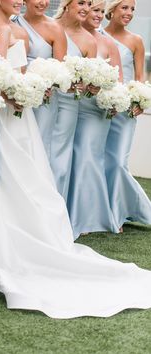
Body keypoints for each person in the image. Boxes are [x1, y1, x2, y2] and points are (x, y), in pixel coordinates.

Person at [0, 0, 151, 319]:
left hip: (29, 105)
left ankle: (52, 223)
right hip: (12, 105)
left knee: (32, 167)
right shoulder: (0, 28)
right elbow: (9, 70)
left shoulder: (15, 30)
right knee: (13, 168)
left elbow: (44, 71)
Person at [67, 0, 123, 239]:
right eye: (94, 10)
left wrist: (111, 99)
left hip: (95, 110)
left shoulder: (108, 43)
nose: (99, 15)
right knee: (68, 158)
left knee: (87, 156)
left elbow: (118, 81)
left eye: (101, 11)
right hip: (69, 105)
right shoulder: (69, 36)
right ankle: (68, 212)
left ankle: (88, 215)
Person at [103, 0, 151, 231]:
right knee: (97, 160)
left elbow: (140, 75)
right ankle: (99, 210)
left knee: (117, 162)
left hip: (125, 110)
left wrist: (141, 99)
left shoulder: (136, 41)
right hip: (98, 108)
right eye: (124, 8)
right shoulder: (97, 34)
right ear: (111, 10)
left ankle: (117, 212)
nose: (130, 13)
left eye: (132, 9)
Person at [52, 0, 96, 202]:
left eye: (89, 4)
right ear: (67, 4)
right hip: (41, 100)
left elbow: (88, 83)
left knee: (59, 157)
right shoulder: (48, 26)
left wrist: (91, 85)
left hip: (69, 103)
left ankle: (57, 212)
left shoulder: (89, 41)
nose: (86, 8)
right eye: (81, 2)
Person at [15, 0, 67, 159]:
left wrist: (48, 85)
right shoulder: (12, 23)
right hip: (16, 95)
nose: (43, 2)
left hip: (44, 99)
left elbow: (60, 69)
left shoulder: (55, 28)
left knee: (40, 148)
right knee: (18, 146)